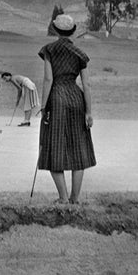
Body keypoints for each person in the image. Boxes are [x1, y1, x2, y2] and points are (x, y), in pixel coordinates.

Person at [37, 13, 95, 204]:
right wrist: (89, 112)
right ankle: (74, 198)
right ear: (73, 31)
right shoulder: (79, 54)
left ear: (55, 29)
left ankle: (62, 197)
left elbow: (48, 79)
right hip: (77, 98)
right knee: (78, 148)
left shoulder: (49, 50)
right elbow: (86, 85)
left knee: (54, 146)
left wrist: (44, 107)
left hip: (57, 98)